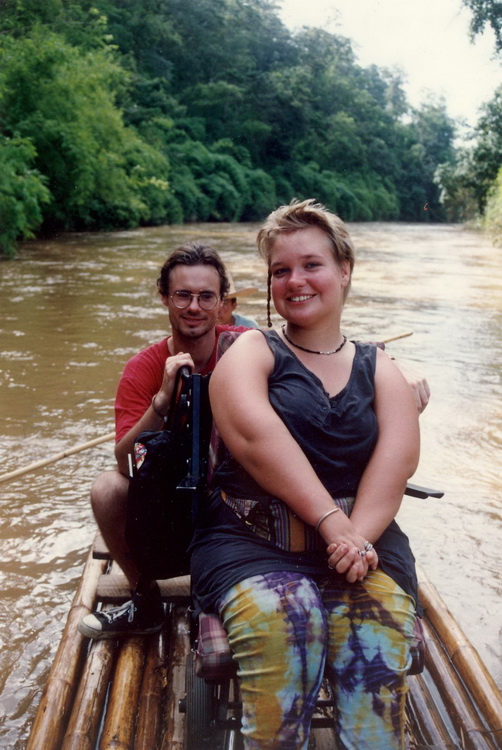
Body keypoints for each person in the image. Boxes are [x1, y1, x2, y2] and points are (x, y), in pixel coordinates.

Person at [189, 199, 422, 750]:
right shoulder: (252, 350)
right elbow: (253, 436)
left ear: (345, 270)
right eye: (280, 270)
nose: (295, 281)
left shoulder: (379, 364)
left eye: (311, 264)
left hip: (365, 545)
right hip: (254, 542)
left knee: (374, 637)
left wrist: (355, 537)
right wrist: (330, 522)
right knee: (284, 624)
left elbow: (398, 460)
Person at [78, 241, 248, 639]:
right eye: (183, 295)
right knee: (106, 489)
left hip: (233, 503)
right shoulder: (142, 369)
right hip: (170, 509)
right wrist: (161, 400)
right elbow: (126, 466)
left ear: (222, 302)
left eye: (206, 296)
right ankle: (145, 600)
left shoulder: (246, 347)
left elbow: (312, 354)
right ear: (164, 299)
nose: (194, 307)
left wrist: (392, 369)